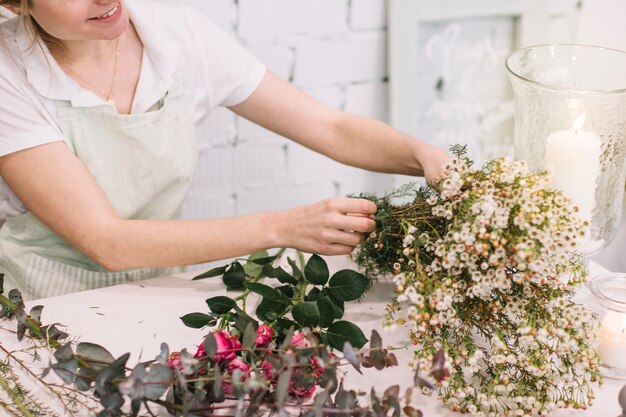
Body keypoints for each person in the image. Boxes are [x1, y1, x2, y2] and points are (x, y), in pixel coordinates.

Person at [0, 0, 451, 299]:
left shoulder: (171, 31)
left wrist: (422, 155)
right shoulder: (9, 72)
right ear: (16, 2)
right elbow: (108, 242)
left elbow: (329, 126)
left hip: (155, 288)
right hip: (41, 309)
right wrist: (284, 227)